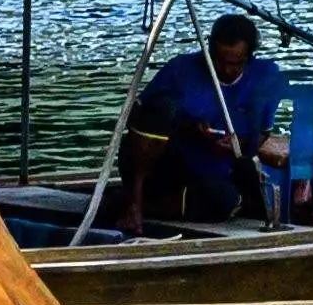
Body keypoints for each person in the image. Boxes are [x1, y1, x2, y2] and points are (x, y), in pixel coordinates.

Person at [121, 15, 285, 226]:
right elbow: (139, 120)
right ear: (209, 50)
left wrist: (238, 145)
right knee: (163, 108)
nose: (227, 70)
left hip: (213, 173)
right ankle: (134, 202)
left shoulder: (267, 76)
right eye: (220, 61)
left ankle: (142, 205)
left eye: (237, 63)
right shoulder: (181, 69)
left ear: (250, 56)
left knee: (222, 200)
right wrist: (189, 127)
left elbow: (262, 133)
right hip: (167, 163)